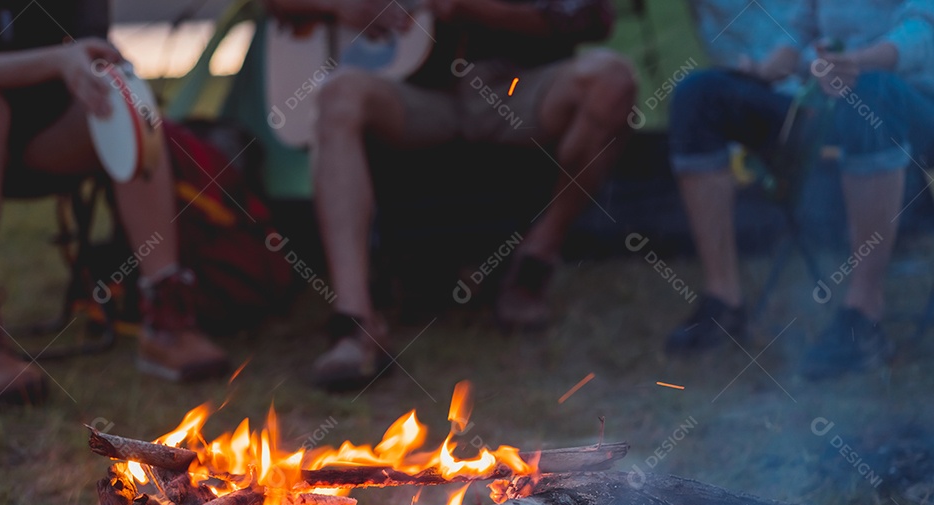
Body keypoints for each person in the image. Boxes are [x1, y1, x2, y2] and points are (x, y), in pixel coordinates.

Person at [264, 0, 636, 390]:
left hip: (514, 86)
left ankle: (535, 260)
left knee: (612, 81)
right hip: (416, 90)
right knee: (337, 95)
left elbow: (589, 17)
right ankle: (356, 322)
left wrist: (469, 9)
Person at [0, 0, 230, 410]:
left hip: (44, 129)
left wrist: (96, 65)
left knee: (127, 107)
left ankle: (168, 318)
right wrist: (57, 60)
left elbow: (89, 45)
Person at [667, 0, 934, 380]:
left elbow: (924, 32)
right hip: (823, 101)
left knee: (871, 94)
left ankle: (864, 315)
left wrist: (860, 62)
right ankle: (724, 301)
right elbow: (803, 25)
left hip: (914, 99)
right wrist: (776, 61)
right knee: (700, 95)